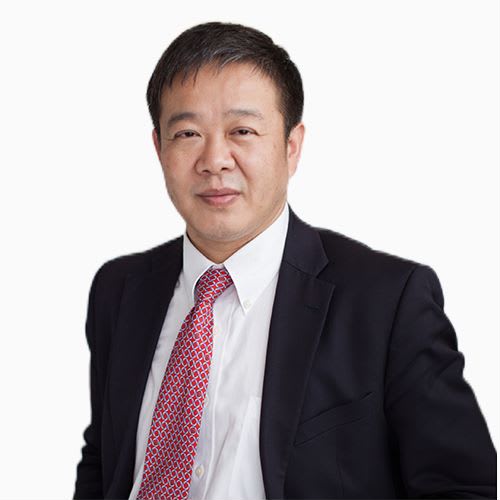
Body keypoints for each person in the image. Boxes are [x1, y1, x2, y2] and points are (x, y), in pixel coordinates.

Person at [73, 21, 496, 500]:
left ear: (291, 147)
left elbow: (463, 487)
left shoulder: (387, 302)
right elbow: (104, 464)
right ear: (159, 148)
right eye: (187, 133)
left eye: (242, 131)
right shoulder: (119, 290)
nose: (215, 160)